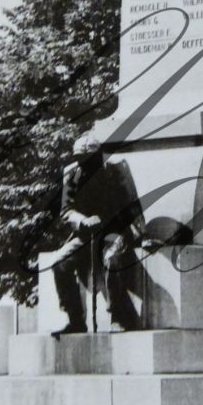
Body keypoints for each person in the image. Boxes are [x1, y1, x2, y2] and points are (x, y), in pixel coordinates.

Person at [44, 135, 144, 335]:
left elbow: (133, 204)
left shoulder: (116, 170)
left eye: (91, 158)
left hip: (114, 231)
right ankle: (75, 319)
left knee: (111, 259)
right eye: (82, 159)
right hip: (85, 234)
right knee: (59, 263)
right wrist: (82, 220)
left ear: (99, 156)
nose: (86, 163)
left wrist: (142, 233)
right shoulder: (71, 174)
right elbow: (66, 211)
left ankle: (119, 316)